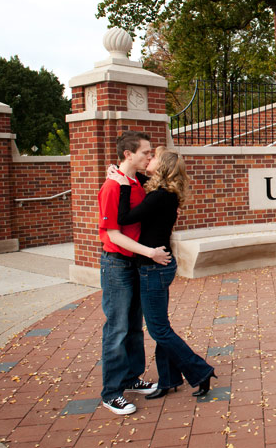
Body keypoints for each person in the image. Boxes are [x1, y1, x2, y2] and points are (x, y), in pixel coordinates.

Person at [110, 146, 216, 399]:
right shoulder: (165, 192)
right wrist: (123, 173)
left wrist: (121, 184)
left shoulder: (159, 196)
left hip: (153, 269)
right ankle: (168, 379)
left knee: (159, 330)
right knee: (162, 327)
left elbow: (124, 218)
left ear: (163, 166)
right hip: (159, 266)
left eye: (154, 157)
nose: (149, 159)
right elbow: (143, 178)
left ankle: (200, 371)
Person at [98, 131, 169, 415]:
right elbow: (113, 234)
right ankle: (111, 392)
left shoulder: (135, 181)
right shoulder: (112, 187)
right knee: (117, 329)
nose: (150, 157)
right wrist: (149, 252)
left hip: (135, 263)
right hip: (117, 263)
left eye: (151, 153)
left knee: (133, 326)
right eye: (146, 153)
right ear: (128, 154)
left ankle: (130, 379)